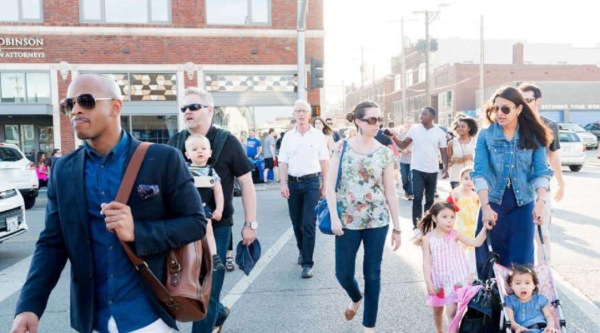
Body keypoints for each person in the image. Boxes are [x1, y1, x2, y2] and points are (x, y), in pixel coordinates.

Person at [10, 74, 207, 333]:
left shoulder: (162, 159)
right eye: (69, 104)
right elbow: (52, 244)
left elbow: (194, 223)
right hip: (92, 320)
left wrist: (138, 232)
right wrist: (29, 306)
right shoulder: (63, 171)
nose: (76, 110)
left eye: (86, 101)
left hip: (149, 315)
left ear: (116, 106)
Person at [166, 87, 258, 333]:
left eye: (193, 107)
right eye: (184, 108)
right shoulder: (175, 142)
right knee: (185, 287)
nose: (187, 112)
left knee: (208, 289)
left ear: (209, 110)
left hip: (217, 226)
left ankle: (211, 312)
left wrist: (250, 224)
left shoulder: (228, 142)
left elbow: (247, 184)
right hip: (180, 228)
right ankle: (218, 313)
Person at [327, 101, 402, 333]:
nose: (377, 124)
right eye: (371, 120)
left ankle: (369, 326)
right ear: (358, 122)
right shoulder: (342, 147)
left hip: (377, 221)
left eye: (379, 119)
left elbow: (390, 191)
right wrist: (334, 218)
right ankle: (355, 297)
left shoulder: (384, 153)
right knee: (343, 273)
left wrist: (398, 228)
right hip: (347, 221)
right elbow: (329, 186)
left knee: (373, 273)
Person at [473, 86, 553, 278]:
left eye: (505, 109)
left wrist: (541, 203)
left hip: (523, 206)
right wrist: (485, 207)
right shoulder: (486, 135)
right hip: (493, 205)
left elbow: (541, 171)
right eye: (496, 108)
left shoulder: (533, 135)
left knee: (521, 266)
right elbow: (480, 172)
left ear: (519, 109)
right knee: (490, 265)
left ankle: (519, 308)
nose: (499, 113)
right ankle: (493, 307)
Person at [416, 202, 490, 333]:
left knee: (452, 314)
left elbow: (476, 242)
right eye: (444, 217)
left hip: (455, 279)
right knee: (437, 310)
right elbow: (426, 261)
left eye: (452, 217)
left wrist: (485, 227)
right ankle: (439, 331)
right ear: (434, 218)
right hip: (438, 280)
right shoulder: (428, 238)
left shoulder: (455, 234)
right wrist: (427, 280)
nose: (449, 221)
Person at [279, 100, 329, 279]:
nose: (301, 114)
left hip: (312, 183)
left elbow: (324, 160)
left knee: (309, 222)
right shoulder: (288, 136)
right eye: (298, 111)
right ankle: (302, 249)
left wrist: (325, 184)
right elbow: (283, 161)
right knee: (296, 223)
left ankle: (307, 263)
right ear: (294, 114)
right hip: (293, 183)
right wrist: (283, 183)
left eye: (304, 111)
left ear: (309, 115)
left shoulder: (318, 135)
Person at [519, 82, 564, 263]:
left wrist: (561, 183)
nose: (524, 103)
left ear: (538, 101)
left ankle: (544, 273)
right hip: (517, 185)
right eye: (521, 100)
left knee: (542, 232)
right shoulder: (513, 123)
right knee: (521, 233)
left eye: (528, 99)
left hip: (541, 187)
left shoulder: (549, 125)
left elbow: (553, 156)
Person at [387, 107, 449, 236]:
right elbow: (403, 145)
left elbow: (443, 151)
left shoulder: (439, 132)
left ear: (432, 117)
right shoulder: (414, 130)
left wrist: (446, 168)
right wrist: (393, 137)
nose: (421, 116)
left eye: (424, 114)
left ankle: (427, 225)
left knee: (430, 200)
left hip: (432, 170)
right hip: (417, 169)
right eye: (420, 114)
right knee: (417, 198)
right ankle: (416, 226)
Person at [186, 134, 226, 272]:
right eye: (195, 149)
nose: (199, 151)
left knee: (208, 229)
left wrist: (219, 209)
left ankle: (213, 257)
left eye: (203, 148)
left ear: (210, 153)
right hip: (185, 208)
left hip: (203, 206)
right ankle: (190, 259)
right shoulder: (183, 170)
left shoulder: (211, 172)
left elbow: (218, 192)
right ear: (187, 154)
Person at [505, 265, 560, 333]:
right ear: (511, 286)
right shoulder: (510, 301)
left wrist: (550, 326)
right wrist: (516, 327)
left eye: (527, 283)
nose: (523, 287)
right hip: (523, 330)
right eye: (518, 283)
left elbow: (548, 316)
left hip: (542, 329)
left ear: (534, 285)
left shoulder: (540, 299)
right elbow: (510, 319)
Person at [447, 168, 480, 278]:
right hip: (459, 230)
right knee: (458, 254)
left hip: (473, 230)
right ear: (460, 179)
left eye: (472, 179)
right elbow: (445, 207)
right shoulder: (455, 194)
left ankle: (470, 277)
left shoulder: (476, 196)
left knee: (472, 254)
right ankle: (457, 275)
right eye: (466, 178)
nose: (469, 181)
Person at [447, 117, 478, 189]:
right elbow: (448, 160)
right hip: (456, 177)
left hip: (472, 176)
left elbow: (481, 158)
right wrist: (452, 160)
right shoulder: (451, 143)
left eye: (463, 126)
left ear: (469, 128)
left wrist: (469, 156)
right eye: (458, 127)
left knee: (471, 199)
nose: (460, 128)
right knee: (457, 199)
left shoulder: (476, 142)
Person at [398, 117, 414, 200]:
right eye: (407, 122)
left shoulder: (416, 134)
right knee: (404, 177)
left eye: (411, 122)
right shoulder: (401, 135)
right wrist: (402, 149)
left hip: (413, 160)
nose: (409, 124)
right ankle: (406, 190)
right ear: (405, 124)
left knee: (412, 177)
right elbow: (397, 145)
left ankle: (411, 193)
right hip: (403, 160)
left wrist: (412, 149)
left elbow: (420, 146)